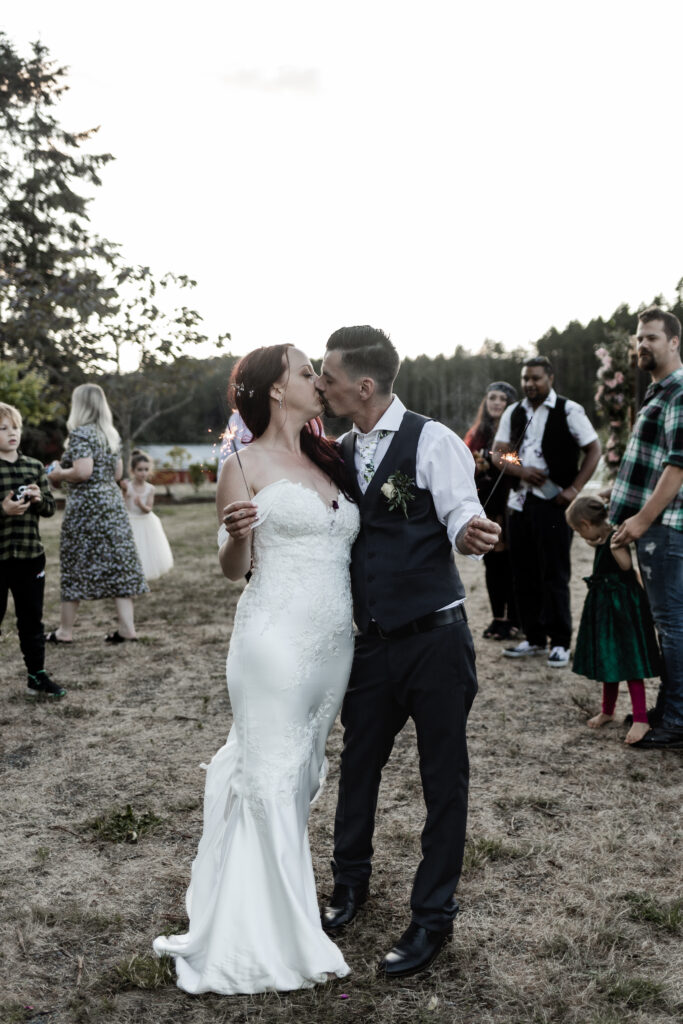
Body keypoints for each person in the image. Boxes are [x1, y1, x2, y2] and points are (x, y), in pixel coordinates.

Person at [154, 344, 360, 994]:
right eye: (305, 372)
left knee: (297, 774)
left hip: (333, 644)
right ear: (273, 389)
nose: (316, 381)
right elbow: (231, 567)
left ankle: (269, 898)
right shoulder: (239, 463)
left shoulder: (330, 457)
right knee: (269, 774)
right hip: (271, 640)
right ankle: (280, 932)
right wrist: (239, 534)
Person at [315, 325, 500, 979]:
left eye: (328, 376)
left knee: (441, 782)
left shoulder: (434, 440)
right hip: (369, 648)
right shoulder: (335, 448)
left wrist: (470, 532)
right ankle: (349, 885)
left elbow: (458, 510)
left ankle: (431, 918)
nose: (321, 384)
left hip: (434, 643)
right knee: (356, 768)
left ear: (363, 385)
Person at [492, 356, 601, 667]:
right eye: (526, 378)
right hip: (519, 503)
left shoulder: (569, 410)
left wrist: (574, 490)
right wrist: (521, 470)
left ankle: (561, 642)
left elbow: (594, 450)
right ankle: (534, 638)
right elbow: (499, 454)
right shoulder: (514, 412)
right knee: (523, 572)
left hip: (554, 504)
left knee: (554, 572)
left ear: (550, 378)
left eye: (536, 378)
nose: (529, 384)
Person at [609, 306, 683, 750]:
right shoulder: (658, 392)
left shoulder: (678, 392)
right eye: (639, 338)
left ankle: (676, 720)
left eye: (652, 337)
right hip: (656, 529)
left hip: (665, 529)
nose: (642, 345)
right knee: (667, 624)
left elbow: (678, 466)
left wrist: (640, 520)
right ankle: (670, 706)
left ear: (674, 342)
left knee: (672, 625)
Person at [47, 384, 148, 644]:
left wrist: (58, 473)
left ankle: (65, 632)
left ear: (79, 405)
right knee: (119, 565)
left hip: (86, 508)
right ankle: (127, 630)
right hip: (112, 506)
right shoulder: (110, 435)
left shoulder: (81, 434)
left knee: (76, 564)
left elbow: (82, 472)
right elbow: (117, 474)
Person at [565, 494, 660, 745]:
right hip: (606, 609)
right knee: (610, 659)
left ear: (586, 524)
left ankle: (641, 718)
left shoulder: (616, 539)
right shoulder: (603, 538)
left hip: (622, 609)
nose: (581, 536)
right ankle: (608, 710)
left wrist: (616, 547)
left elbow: (627, 567)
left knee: (629, 661)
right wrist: (600, 542)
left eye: (578, 530)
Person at [0, 403, 65, 698]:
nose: (11, 433)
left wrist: (39, 500)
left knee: (31, 620)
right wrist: (2, 509)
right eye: (3, 429)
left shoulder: (34, 467)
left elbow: (50, 509)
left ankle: (36, 676)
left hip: (29, 556)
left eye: (14, 427)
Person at [464, 381, 520, 640]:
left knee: (512, 564)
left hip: (510, 503)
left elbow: (519, 460)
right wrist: (477, 463)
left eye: (502, 399)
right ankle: (498, 618)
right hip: (486, 502)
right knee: (493, 565)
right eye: (493, 398)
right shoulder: (477, 432)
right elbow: (465, 461)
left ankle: (515, 618)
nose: (497, 403)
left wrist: (494, 458)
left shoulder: (514, 429)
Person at [121, 450, 173, 581]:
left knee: (146, 549)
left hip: (145, 521)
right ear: (133, 471)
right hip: (130, 520)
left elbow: (148, 509)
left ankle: (143, 573)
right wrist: (124, 491)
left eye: (145, 469)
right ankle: (130, 571)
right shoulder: (128, 487)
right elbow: (122, 504)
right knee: (132, 548)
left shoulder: (150, 489)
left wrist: (140, 504)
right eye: (139, 469)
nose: (143, 473)